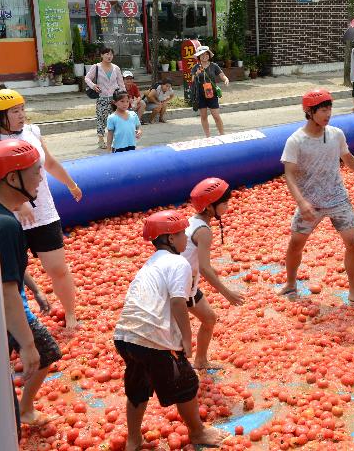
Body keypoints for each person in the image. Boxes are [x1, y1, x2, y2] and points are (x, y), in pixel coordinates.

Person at [113, 210, 230, 451]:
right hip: (152, 337)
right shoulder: (179, 263)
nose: (185, 238)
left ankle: (134, 440)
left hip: (125, 336)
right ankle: (197, 432)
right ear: (168, 239)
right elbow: (178, 302)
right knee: (185, 383)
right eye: (180, 234)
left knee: (138, 386)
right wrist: (185, 340)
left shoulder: (150, 264)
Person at [279, 89, 354, 306]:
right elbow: (288, 173)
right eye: (322, 110)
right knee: (295, 245)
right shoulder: (296, 141)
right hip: (311, 203)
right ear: (309, 112)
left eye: (329, 109)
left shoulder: (336, 134)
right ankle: (291, 283)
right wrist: (301, 201)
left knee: (353, 243)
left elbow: (348, 159)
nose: (328, 114)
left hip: (338, 199)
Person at [0, 89, 83, 329]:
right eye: (15, 111)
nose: (22, 115)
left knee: (57, 268)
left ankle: (71, 314)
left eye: (22, 109)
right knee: (11, 274)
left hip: (43, 214)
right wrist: (20, 205)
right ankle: (13, 325)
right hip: (8, 216)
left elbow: (48, 162)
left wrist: (70, 184)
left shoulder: (31, 133)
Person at [0, 139, 61, 433]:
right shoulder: (5, 225)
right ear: (11, 177)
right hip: (0, 322)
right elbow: (7, 292)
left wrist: (33, 287)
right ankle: (19, 416)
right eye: (36, 172)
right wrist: (28, 346)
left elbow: (7, 271)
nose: (41, 178)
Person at [183, 177, 245, 370]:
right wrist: (227, 293)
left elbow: (190, 256)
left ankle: (200, 361)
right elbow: (204, 267)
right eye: (224, 203)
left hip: (185, 284)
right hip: (180, 288)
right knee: (173, 333)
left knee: (209, 319)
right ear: (210, 207)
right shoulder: (203, 231)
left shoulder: (192, 221)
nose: (227, 207)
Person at [85, 47, 125, 149]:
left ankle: (117, 139)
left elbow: (121, 83)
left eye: (111, 54)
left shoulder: (116, 68)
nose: (109, 56)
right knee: (101, 119)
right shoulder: (96, 67)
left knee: (116, 119)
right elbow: (87, 78)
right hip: (102, 98)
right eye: (107, 54)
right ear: (102, 55)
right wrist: (93, 85)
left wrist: (124, 96)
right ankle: (101, 140)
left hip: (115, 99)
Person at [190, 46, 229, 137]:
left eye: (206, 54)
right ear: (199, 56)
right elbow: (192, 80)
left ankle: (222, 134)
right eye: (202, 55)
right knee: (203, 116)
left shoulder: (214, 65)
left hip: (212, 94)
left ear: (209, 55)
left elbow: (222, 75)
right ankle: (208, 137)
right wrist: (197, 74)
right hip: (200, 94)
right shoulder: (196, 67)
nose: (204, 56)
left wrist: (226, 79)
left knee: (216, 116)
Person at [106, 89, 142, 153]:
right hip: (118, 148)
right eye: (122, 101)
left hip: (132, 146)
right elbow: (110, 134)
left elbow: (138, 126)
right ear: (115, 102)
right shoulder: (112, 117)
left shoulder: (133, 114)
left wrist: (139, 131)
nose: (125, 104)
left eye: (127, 101)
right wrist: (109, 149)